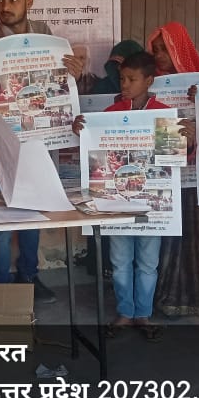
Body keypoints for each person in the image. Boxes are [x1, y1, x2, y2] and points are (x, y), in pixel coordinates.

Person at [0, 0, 84, 302]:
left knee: (34, 211)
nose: (5, 7)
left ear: (29, 0)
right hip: (0, 143)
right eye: (0, 0)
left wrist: (74, 72)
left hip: (39, 141)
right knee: (1, 216)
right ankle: (2, 288)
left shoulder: (46, 35)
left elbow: (60, 80)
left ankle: (29, 276)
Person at [72, 52, 169, 341]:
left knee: (148, 262)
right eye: (122, 78)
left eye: (131, 79)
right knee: (120, 260)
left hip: (152, 204)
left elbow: (177, 158)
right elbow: (95, 151)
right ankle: (125, 312)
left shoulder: (164, 114)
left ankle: (143, 314)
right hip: (117, 202)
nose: (124, 84)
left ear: (149, 81)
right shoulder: (110, 114)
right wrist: (81, 131)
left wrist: (185, 139)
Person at [147, 22, 199, 318]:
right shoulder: (150, 85)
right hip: (167, 173)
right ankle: (159, 297)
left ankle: (188, 299)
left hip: (196, 176)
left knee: (192, 239)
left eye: (165, 48)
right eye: (155, 50)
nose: (160, 55)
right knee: (165, 238)